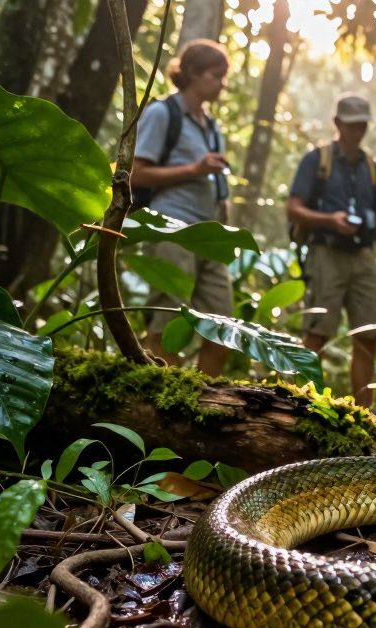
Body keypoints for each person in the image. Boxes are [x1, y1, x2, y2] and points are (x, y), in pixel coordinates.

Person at [286, 94, 376, 407]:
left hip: (363, 257)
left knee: (369, 334)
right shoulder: (317, 161)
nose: (357, 130)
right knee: (318, 331)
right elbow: (294, 208)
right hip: (326, 253)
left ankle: (365, 416)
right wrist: (329, 221)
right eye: (351, 124)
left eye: (362, 124)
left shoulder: (373, 169)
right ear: (338, 124)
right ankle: (300, 406)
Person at [131, 39, 233, 376]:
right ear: (191, 73)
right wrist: (194, 169)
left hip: (210, 235)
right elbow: (135, 174)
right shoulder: (163, 114)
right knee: (168, 320)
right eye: (215, 75)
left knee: (224, 328)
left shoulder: (212, 125)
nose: (221, 83)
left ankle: (205, 402)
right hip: (172, 227)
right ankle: (162, 401)